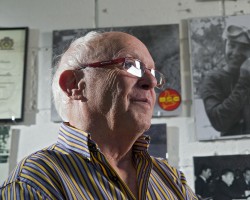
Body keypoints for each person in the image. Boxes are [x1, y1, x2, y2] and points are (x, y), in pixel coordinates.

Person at [0, 31, 198, 199]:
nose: (151, 82)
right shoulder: (35, 182)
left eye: (153, 73)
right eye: (130, 65)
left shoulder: (168, 177)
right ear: (74, 85)